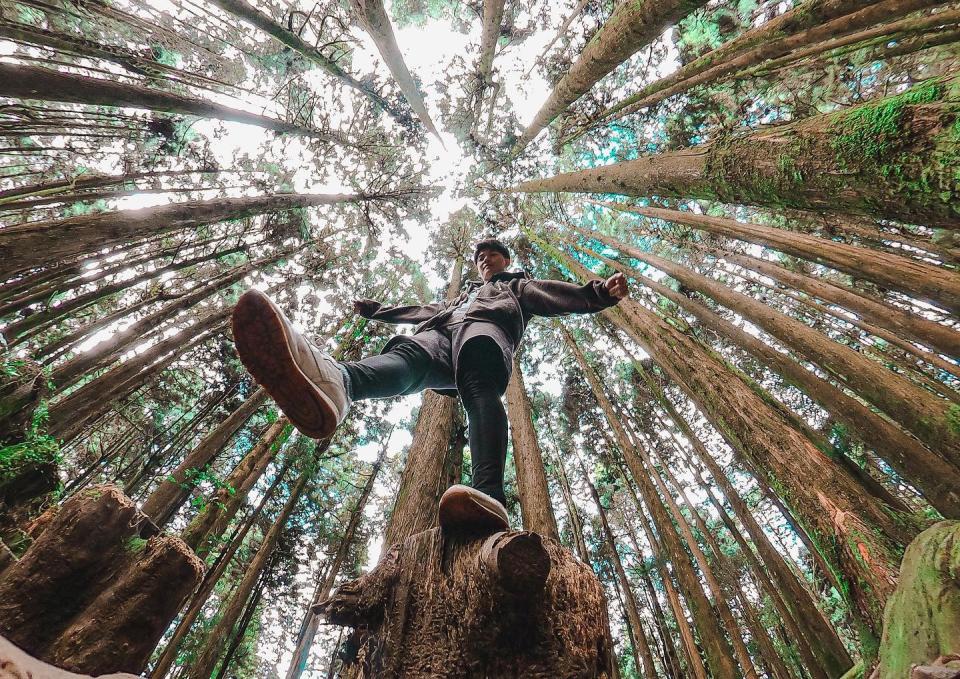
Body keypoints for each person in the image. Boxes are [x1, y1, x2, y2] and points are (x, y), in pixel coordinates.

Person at [232, 238, 628, 533]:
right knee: (409, 359)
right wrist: (378, 313)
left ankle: (488, 496)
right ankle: (341, 382)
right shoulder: (462, 297)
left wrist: (597, 294)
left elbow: (551, 295)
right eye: (478, 258)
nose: (483, 260)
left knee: (479, 391)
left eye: (490, 255)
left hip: (485, 334)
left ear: (505, 260)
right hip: (442, 333)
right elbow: (420, 311)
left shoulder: (514, 285)